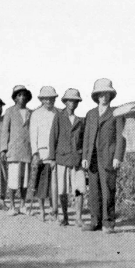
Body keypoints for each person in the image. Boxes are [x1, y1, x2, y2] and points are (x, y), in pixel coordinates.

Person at [81, 78, 126, 233]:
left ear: (110, 96)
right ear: (97, 96)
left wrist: (118, 157)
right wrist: (85, 157)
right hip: (92, 158)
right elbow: (87, 137)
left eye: (107, 94)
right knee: (94, 191)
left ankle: (108, 223)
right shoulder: (90, 114)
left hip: (108, 156)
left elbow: (121, 137)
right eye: (101, 94)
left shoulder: (117, 113)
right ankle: (95, 221)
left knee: (108, 190)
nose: (104, 97)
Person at [49, 88, 87, 227]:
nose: (72, 103)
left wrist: (83, 156)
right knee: (62, 190)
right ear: (65, 102)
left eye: (75, 101)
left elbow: (83, 140)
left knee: (79, 188)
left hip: (76, 159)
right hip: (62, 159)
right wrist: (52, 158)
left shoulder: (80, 120)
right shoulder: (59, 117)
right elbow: (53, 137)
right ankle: (65, 217)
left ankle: (78, 217)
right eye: (69, 100)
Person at [28, 86, 60, 222]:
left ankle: (54, 211)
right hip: (41, 154)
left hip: (55, 154)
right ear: (41, 100)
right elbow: (32, 134)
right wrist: (35, 153)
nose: (49, 101)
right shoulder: (36, 114)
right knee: (41, 185)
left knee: (55, 185)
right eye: (46, 99)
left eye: (51, 98)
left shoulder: (58, 113)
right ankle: (42, 210)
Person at [0, 85, 33, 216]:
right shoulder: (9, 111)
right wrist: (3, 149)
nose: (22, 98)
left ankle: (23, 205)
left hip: (26, 151)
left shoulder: (31, 113)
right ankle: (12, 206)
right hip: (13, 151)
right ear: (14, 98)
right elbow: (4, 132)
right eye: (19, 95)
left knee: (24, 181)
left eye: (24, 95)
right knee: (13, 180)